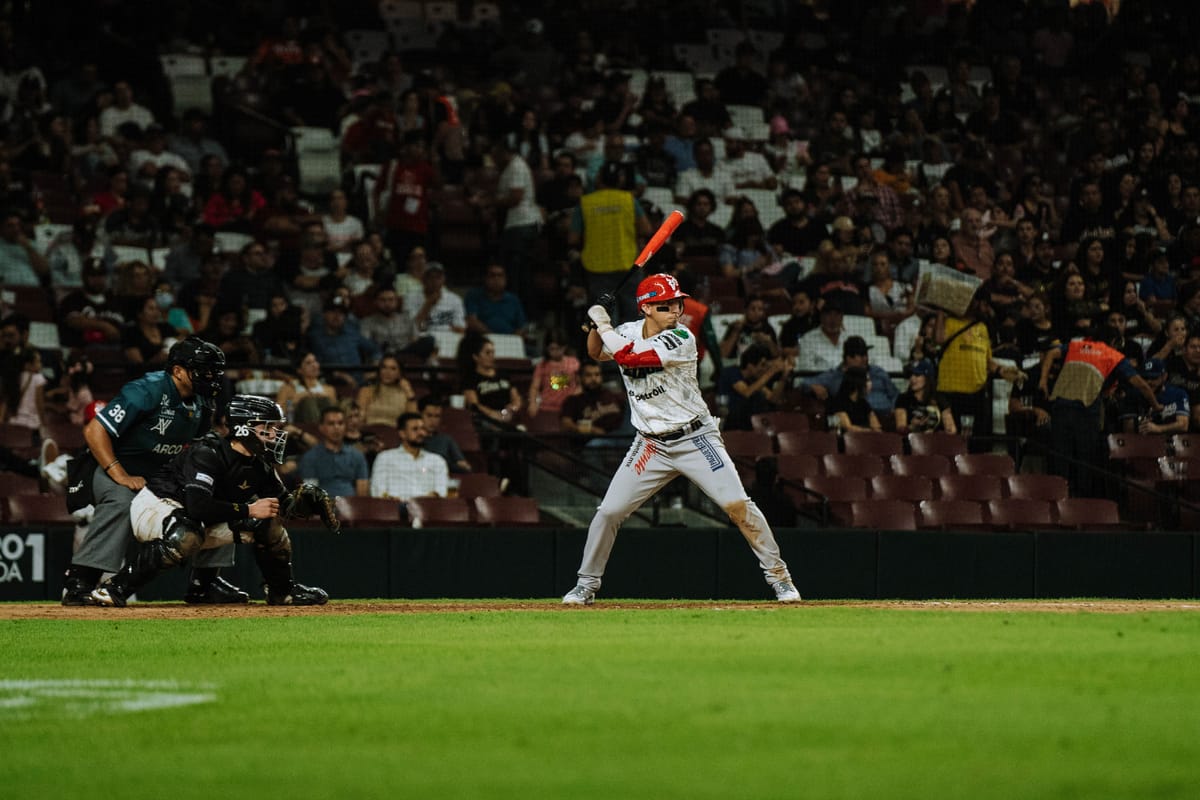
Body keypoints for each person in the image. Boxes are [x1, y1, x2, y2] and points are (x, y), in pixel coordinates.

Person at [562, 273, 800, 605]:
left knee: (737, 505)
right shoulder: (627, 331)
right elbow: (598, 353)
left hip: (695, 438)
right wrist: (594, 325)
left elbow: (630, 357)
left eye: (678, 302)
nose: (675, 309)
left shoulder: (681, 337)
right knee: (609, 511)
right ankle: (586, 585)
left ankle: (780, 579)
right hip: (650, 444)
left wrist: (603, 324)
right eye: (666, 305)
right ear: (646, 308)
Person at [89, 395, 331, 607]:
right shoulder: (209, 452)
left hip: (196, 519)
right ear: (244, 428)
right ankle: (114, 588)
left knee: (269, 524)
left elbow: (283, 507)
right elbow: (198, 507)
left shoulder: (260, 464)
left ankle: (282, 592)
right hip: (155, 506)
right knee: (187, 533)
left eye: (276, 429)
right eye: (267, 428)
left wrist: (306, 504)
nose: (275, 435)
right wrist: (248, 509)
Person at [60, 337, 232, 606]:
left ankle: (205, 584)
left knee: (215, 494)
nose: (210, 377)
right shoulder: (147, 390)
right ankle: (80, 580)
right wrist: (118, 473)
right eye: (202, 370)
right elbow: (95, 430)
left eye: (213, 371)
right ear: (178, 371)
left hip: (159, 476)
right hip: (109, 465)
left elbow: (196, 446)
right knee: (121, 500)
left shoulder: (203, 402)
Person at [1039, 326, 1161, 497]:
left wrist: (1043, 381)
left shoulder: (1076, 346)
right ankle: (1082, 507)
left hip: (1061, 407)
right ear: (1114, 342)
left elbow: (1051, 353)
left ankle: (1058, 505)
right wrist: (1155, 405)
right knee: (1085, 462)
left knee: (1060, 460)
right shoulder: (1113, 355)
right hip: (1086, 411)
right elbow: (1140, 384)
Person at [796, 336, 898, 415]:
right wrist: (812, 386)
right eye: (861, 355)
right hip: (856, 419)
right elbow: (804, 383)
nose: (865, 359)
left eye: (866, 354)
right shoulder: (835, 376)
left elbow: (894, 394)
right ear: (849, 358)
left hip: (887, 416)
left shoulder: (878, 372)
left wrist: (895, 409)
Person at [369, 411, 449, 502]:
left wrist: (427, 500)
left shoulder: (437, 461)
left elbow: (441, 491)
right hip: (394, 509)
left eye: (422, 429)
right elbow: (378, 490)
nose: (421, 433)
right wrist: (391, 500)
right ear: (402, 433)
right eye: (415, 429)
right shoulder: (385, 458)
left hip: (427, 509)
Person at [296, 405, 370, 497]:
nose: (336, 428)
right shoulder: (310, 457)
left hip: (352, 507)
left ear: (345, 426)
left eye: (340, 423)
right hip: (323, 507)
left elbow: (362, 493)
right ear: (321, 428)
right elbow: (310, 495)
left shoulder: (357, 456)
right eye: (331, 424)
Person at [716, 343, 790, 431]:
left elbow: (773, 399)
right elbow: (747, 392)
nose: (764, 369)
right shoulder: (731, 372)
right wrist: (772, 371)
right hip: (731, 422)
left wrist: (784, 377)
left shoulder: (754, 380)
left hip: (750, 422)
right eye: (762, 365)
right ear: (750, 366)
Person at [1117, 358, 1190, 435]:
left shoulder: (1178, 394)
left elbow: (1183, 425)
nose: (1149, 382)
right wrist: (1141, 426)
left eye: (1154, 378)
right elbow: (1128, 431)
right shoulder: (1132, 395)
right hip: (1141, 442)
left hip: (1170, 442)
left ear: (1164, 376)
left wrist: (1158, 428)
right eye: (1145, 378)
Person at [559, 361, 625, 439]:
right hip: (591, 442)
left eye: (597, 374)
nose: (594, 379)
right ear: (580, 378)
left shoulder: (614, 396)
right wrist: (591, 430)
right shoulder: (573, 401)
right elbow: (566, 424)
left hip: (621, 438)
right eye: (588, 375)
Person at [464, 262, 529, 336]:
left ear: (506, 279)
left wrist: (513, 339)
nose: (496, 279)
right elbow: (472, 321)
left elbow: (522, 326)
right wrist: (493, 338)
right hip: (482, 340)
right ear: (485, 278)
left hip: (510, 341)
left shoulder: (513, 300)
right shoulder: (474, 295)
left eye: (500, 275)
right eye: (492, 275)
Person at [893, 360, 958, 434]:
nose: (912, 379)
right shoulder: (903, 399)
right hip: (910, 442)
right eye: (910, 375)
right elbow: (900, 429)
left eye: (917, 375)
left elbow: (952, 429)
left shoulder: (940, 399)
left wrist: (938, 433)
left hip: (936, 442)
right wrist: (912, 427)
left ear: (927, 378)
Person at [527, 331, 580, 417]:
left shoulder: (573, 363)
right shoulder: (542, 366)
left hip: (568, 410)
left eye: (558, 348)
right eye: (552, 349)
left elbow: (580, 385)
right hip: (547, 407)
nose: (555, 352)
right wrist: (533, 403)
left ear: (564, 347)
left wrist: (573, 398)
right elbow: (534, 387)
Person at [418, 395, 473, 474]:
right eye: (429, 415)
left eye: (437, 416)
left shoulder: (446, 440)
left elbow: (465, 467)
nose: (433, 421)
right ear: (420, 415)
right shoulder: (412, 439)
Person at [356, 354, 415, 428]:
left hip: (396, 436)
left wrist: (409, 392)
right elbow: (358, 419)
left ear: (399, 373)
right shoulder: (366, 391)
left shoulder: (406, 394)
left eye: (393, 369)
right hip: (370, 433)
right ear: (379, 371)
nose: (387, 372)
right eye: (384, 367)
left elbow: (413, 421)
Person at [826, 366, 882, 432]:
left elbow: (876, 426)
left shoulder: (864, 403)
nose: (870, 383)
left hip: (865, 439)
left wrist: (875, 430)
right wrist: (870, 431)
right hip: (842, 440)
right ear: (857, 381)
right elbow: (848, 428)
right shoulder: (836, 403)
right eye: (867, 380)